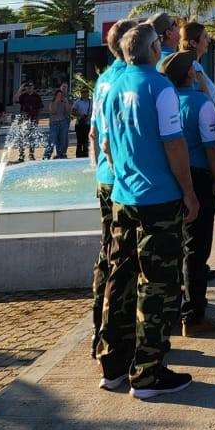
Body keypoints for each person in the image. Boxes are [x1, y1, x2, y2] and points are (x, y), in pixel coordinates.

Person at [97, 21, 199, 399]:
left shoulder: (113, 86)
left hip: (124, 198)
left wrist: (124, 172)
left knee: (119, 280)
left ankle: (113, 365)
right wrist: (189, 192)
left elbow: (104, 143)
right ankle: (147, 373)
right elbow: (174, 145)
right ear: (154, 49)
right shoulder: (160, 87)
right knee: (157, 285)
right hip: (158, 201)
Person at [160, 42, 215, 337]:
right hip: (198, 178)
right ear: (189, 74)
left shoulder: (167, 101)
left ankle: (173, 312)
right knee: (197, 250)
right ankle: (194, 315)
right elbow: (213, 148)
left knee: (177, 248)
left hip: (172, 179)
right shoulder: (202, 104)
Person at [88, 19, 137, 359]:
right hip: (123, 181)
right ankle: (116, 336)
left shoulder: (103, 80)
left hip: (105, 178)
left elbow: (94, 133)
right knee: (123, 260)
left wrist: (99, 171)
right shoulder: (126, 80)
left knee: (107, 252)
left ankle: (99, 329)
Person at [45, 87, 72, 159]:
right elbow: (53, 111)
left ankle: (60, 154)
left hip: (63, 122)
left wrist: (66, 102)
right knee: (52, 139)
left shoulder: (64, 102)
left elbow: (68, 111)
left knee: (63, 139)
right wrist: (56, 102)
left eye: (61, 95)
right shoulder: (52, 103)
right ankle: (47, 155)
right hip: (54, 123)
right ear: (55, 96)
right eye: (58, 95)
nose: (60, 97)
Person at [72, 88, 92, 157]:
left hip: (88, 124)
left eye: (86, 92)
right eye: (83, 92)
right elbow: (73, 112)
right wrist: (80, 115)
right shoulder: (77, 102)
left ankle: (86, 155)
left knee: (86, 141)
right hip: (79, 124)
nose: (85, 93)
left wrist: (89, 116)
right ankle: (78, 155)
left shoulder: (91, 102)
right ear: (81, 93)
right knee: (79, 141)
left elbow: (95, 111)